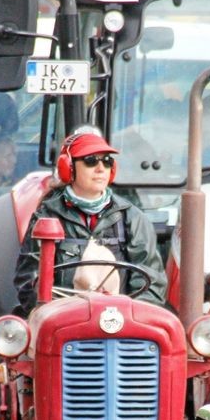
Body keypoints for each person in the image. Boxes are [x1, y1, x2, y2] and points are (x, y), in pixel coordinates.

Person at [14, 128, 168, 315]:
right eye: (90, 161)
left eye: (107, 161)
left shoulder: (132, 218)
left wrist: (126, 316)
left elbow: (152, 284)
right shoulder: (46, 217)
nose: (101, 168)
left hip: (121, 322)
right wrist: (60, 314)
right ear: (68, 167)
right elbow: (29, 282)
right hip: (66, 322)